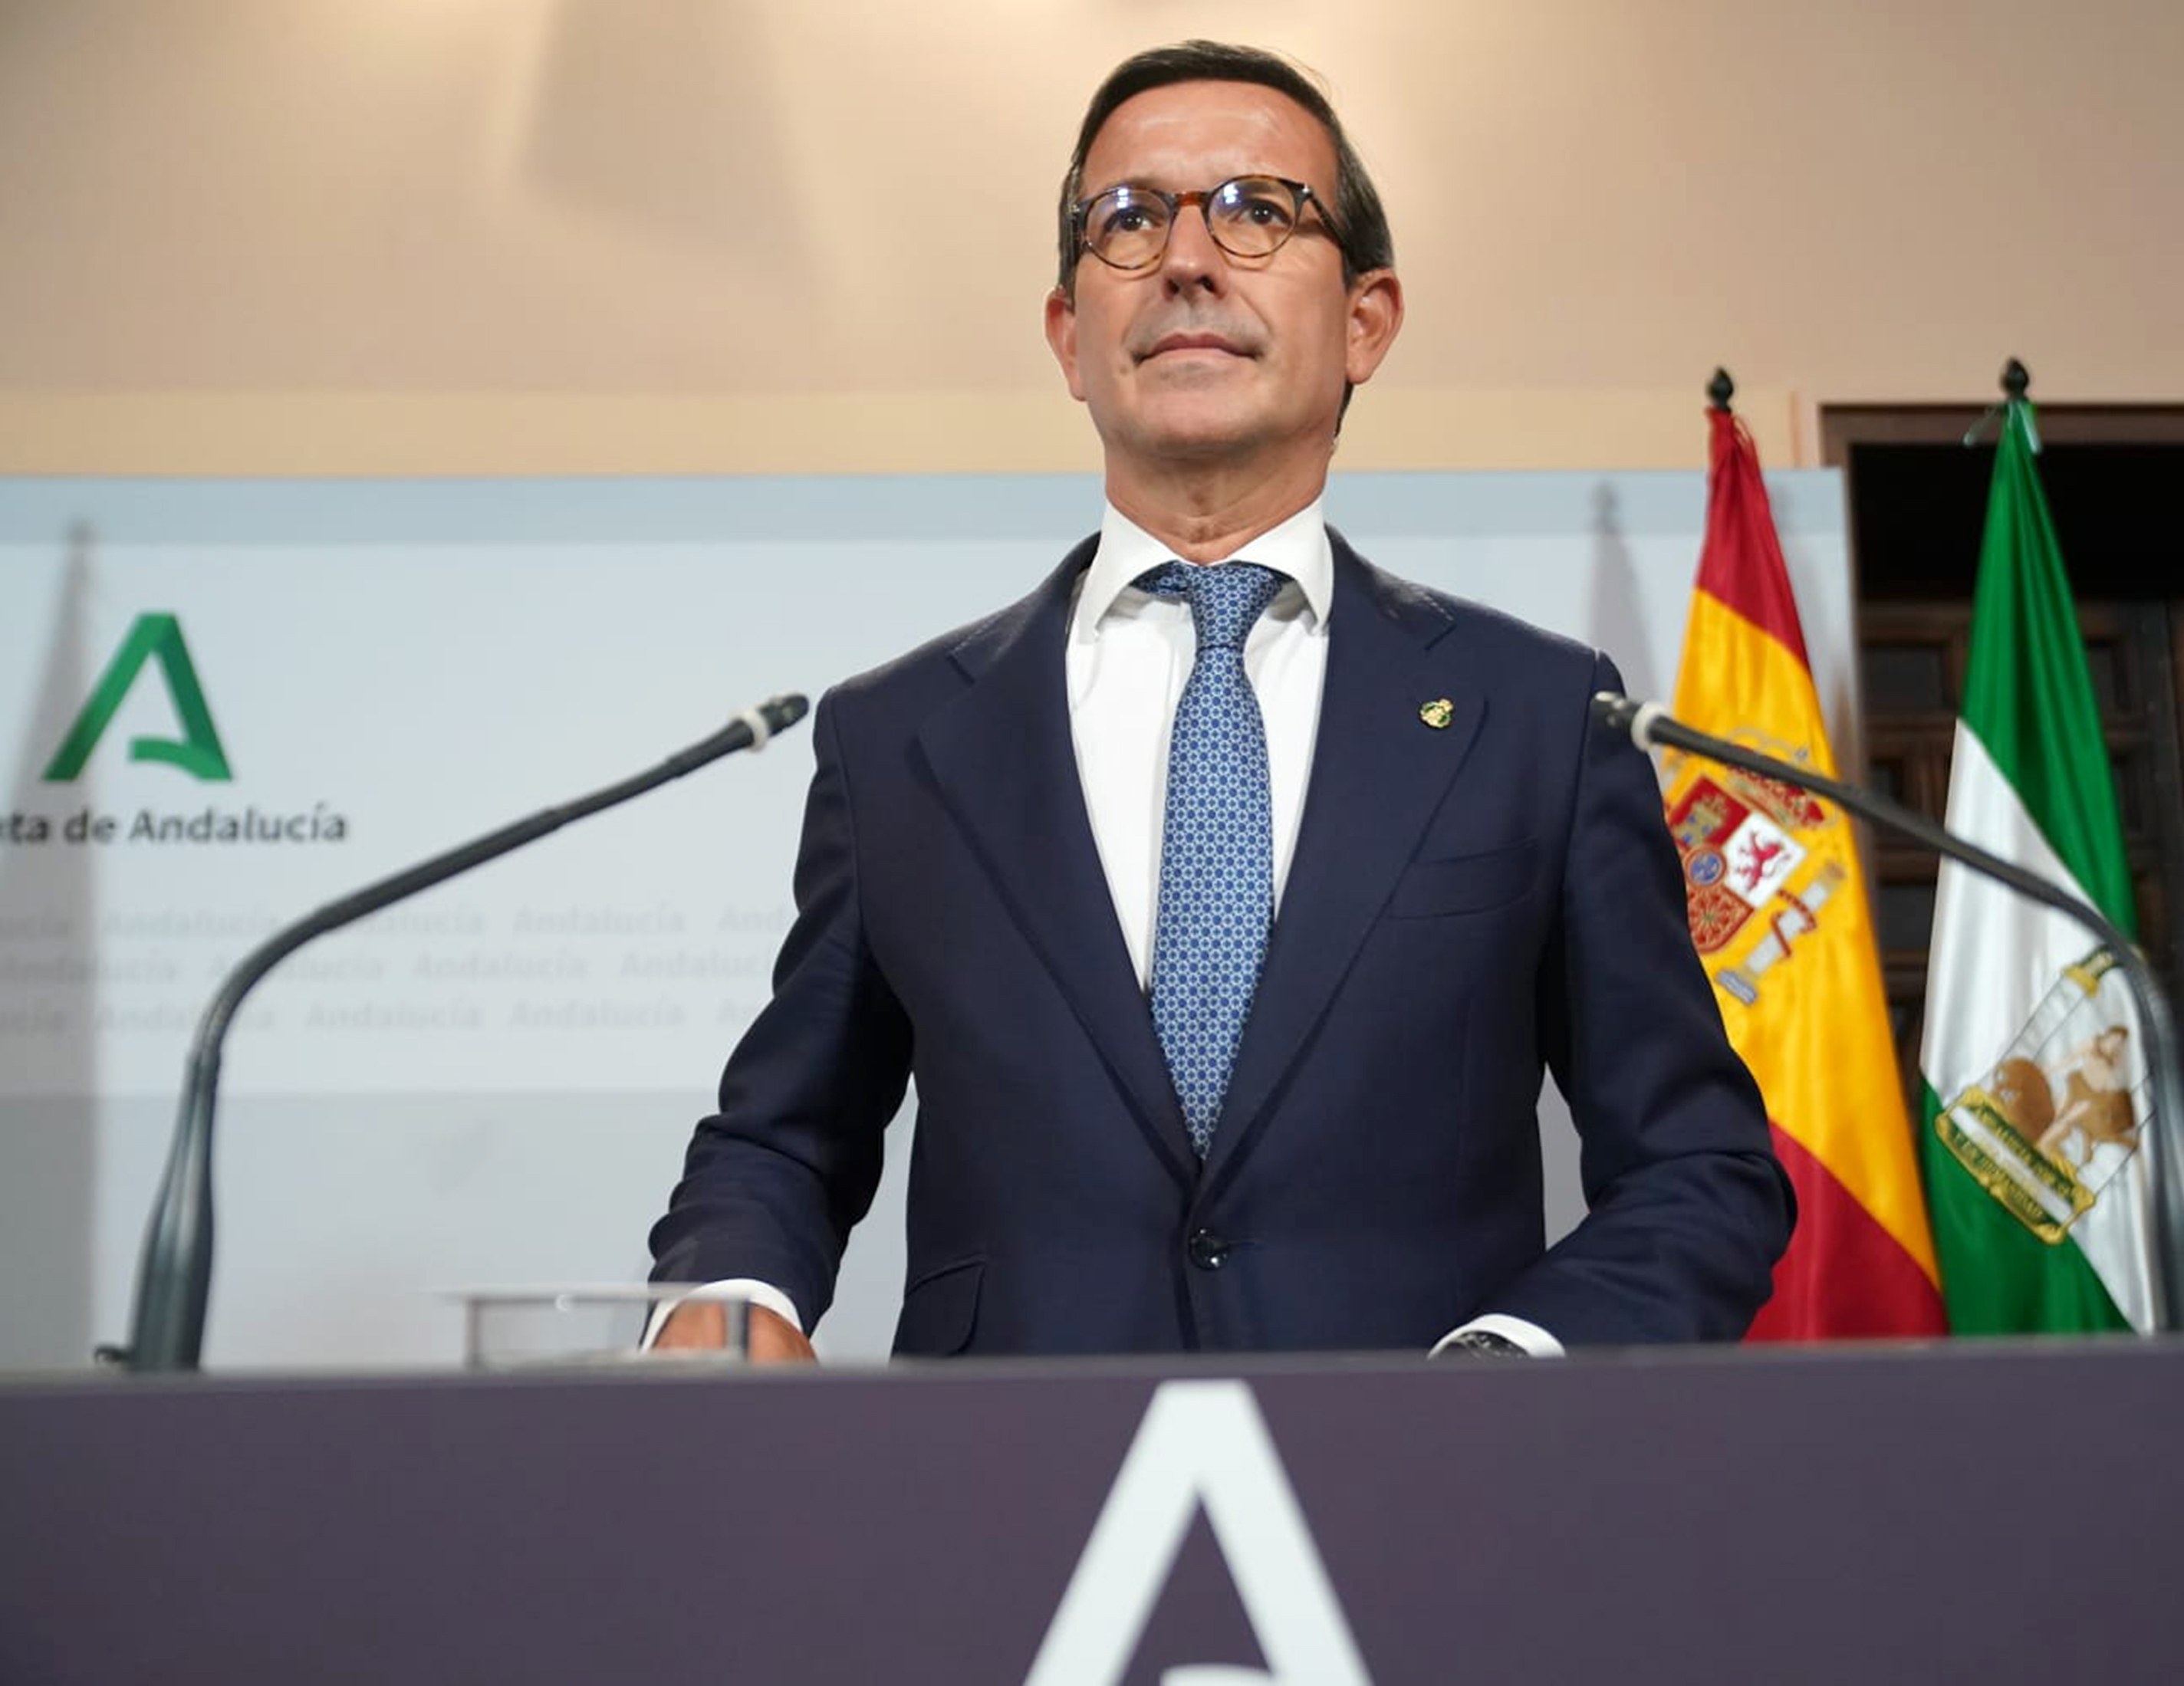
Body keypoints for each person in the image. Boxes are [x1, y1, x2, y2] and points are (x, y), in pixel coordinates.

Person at [648, 40, 1793, 1361]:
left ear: (1366, 319)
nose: (1187, 258)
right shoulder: (900, 739)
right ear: (1071, 338)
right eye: (1127, 220)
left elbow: (1702, 1169)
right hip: (1003, 1502)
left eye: (1257, 211)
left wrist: (1516, 1365)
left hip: (1422, 1496)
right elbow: (782, 1137)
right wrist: (728, 1301)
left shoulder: (1539, 717)